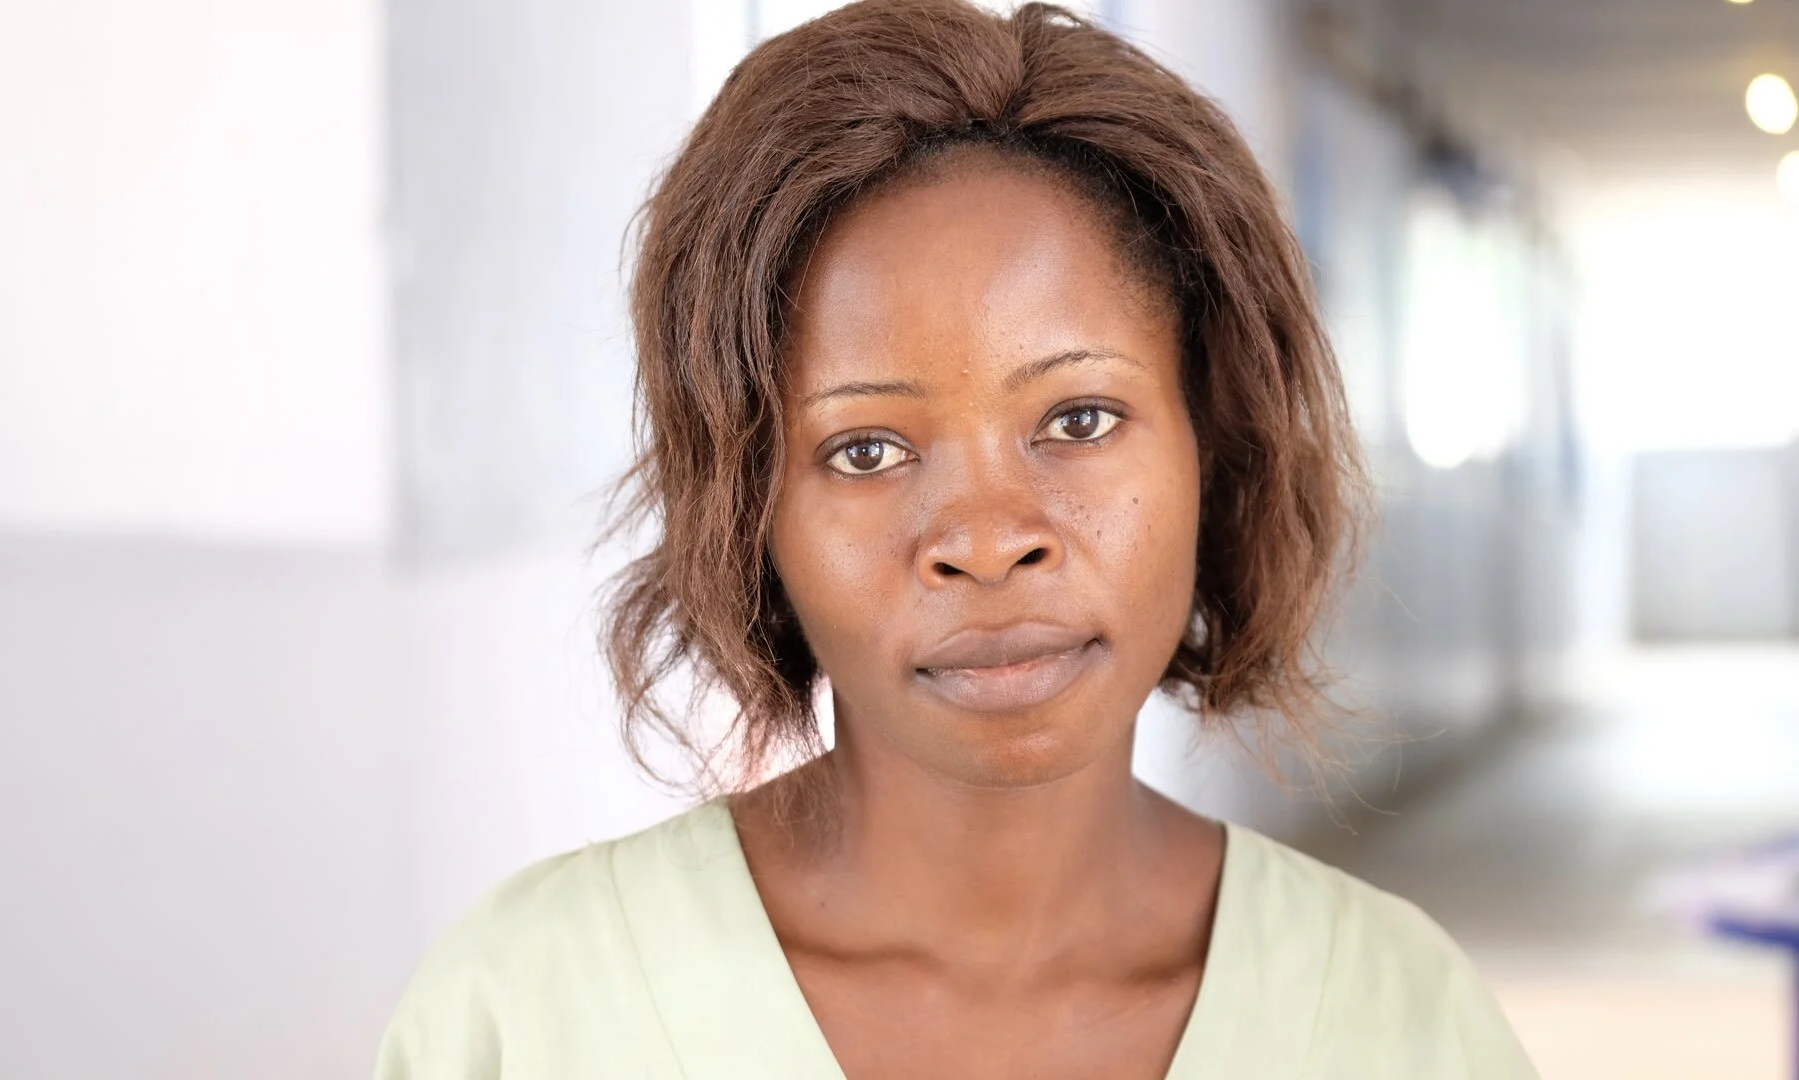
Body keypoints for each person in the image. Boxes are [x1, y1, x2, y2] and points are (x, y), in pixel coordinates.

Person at [373, 1, 1540, 1076]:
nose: (987, 541)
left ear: (1213, 450)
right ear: (750, 513)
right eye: (865, 450)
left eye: (1078, 421)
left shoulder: (1400, 1019)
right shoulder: (527, 1011)